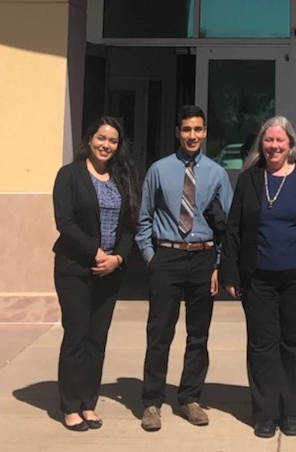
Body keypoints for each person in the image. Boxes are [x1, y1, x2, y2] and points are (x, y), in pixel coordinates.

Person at [220, 116, 296, 439]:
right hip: (258, 277)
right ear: (261, 144)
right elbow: (234, 228)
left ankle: (293, 410)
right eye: (268, 141)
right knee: (262, 345)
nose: (273, 146)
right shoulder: (249, 180)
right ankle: (265, 412)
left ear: (291, 145)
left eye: (279, 141)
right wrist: (229, 269)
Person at [136, 105, 233, 431]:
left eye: (199, 130)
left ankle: (190, 397)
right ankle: (151, 401)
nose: (193, 136)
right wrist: (151, 255)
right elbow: (144, 218)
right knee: (159, 332)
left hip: (203, 259)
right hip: (167, 256)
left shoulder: (217, 173)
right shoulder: (159, 170)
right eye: (187, 129)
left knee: (198, 334)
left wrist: (219, 265)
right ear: (178, 132)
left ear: (205, 132)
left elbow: (227, 226)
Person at [52, 116, 140, 432]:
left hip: (110, 272)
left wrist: (118, 257)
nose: (106, 145)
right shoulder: (69, 176)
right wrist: (96, 252)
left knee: (97, 339)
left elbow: (131, 225)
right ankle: (70, 406)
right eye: (101, 138)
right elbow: (65, 223)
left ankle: (89, 403)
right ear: (90, 139)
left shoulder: (123, 177)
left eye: (113, 141)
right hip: (75, 269)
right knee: (76, 335)